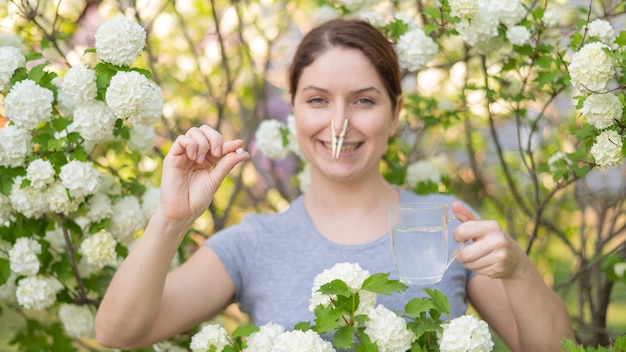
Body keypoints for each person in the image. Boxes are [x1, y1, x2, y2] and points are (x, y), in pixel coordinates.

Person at [95, 18, 575, 351]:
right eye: (318, 99)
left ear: (395, 113)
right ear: (295, 110)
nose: (339, 124)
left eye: (364, 100)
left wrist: (518, 271)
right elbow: (119, 331)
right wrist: (171, 219)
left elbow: (553, 351)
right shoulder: (252, 244)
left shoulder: (445, 224)